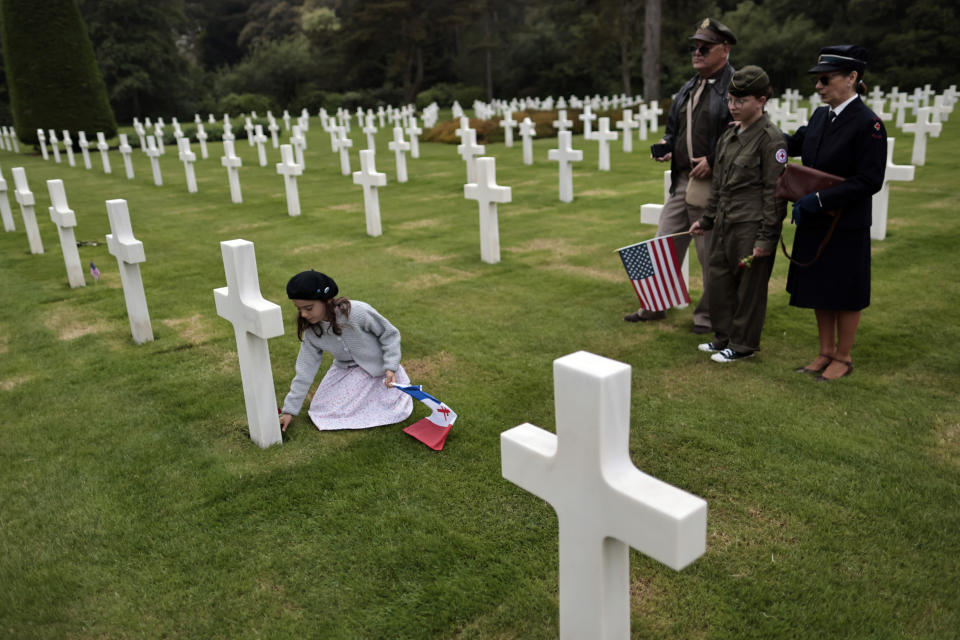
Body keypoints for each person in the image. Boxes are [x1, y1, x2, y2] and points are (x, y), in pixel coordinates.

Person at [624, 17, 736, 334]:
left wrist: (714, 160)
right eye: (694, 46)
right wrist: (666, 145)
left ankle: (708, 318)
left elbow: (743, 134)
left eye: (705, 47)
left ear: (724, 49)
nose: (697, 52)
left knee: (709, 253)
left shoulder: (736, 88)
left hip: (712, 184)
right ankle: (654, 304)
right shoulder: (689, 87)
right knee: (662, 243)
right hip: (682, 180)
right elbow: (673, 132)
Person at [784, 45, 886, 381]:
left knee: (844, 290)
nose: (818, 86)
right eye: (817, 79)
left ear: (852, 78)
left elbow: (869, 180)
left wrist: (820, 199)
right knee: (820, 286)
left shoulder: (868, 124)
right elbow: (791, 144)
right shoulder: (819, 117)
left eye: (825, 78)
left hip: (845, 222)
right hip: (816, 220)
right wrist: (756, 133)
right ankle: (825, 351)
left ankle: (843, 356)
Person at [690, 65, 787, 362]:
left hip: (750, 224)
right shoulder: (728, 138)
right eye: (731, 100)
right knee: (719, 280)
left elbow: (775, 194)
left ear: (761, 100)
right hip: (723, 222)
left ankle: (743, 344)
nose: (733, 106)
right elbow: (718, 186)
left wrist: (766, 238)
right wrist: (706, 220)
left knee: (748, 289)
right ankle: (723, 336)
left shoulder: (772, 140)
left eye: (740, 101)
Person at [278, 270, 413, 432]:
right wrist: (289, 411)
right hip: (345, 369)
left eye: (308, 308)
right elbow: (304, 370)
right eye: (299, 309)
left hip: (379, 369)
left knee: (380, 404)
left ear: (327, 300)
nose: (304, 314)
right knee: (321, 408)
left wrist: (391, 366)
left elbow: (389, 334)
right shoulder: (312, 332)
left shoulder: (357, 312)